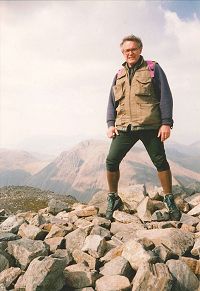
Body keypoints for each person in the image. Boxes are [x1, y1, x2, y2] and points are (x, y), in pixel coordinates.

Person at [105, 34, 181, 221]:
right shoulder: (119, 74)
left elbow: (165, 96)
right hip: (125, 127)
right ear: (122, 52)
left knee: (160, 162)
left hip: (150, 126)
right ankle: (113, 198)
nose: (130, 53)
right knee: (111, 161)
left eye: (133, 49)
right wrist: (110, 124)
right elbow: (111, 101)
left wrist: (166, 123)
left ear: (140, 50)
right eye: (126, 50)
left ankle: (169, 199)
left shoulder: (152, 68)